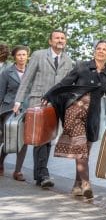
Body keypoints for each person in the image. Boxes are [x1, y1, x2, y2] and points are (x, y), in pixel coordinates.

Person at [43, 40, 106, 198]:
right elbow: (65, 82)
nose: (101, 51)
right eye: (98, 48)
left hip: (93, 115)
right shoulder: (82, 67)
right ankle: (86, 184)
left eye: (105, 49)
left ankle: (76, 185)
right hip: (75, 111)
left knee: (84, 150)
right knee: (80, 147)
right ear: (94, 51)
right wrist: (49, 94)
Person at [13, 30, 73, 189]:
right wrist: (18, 100)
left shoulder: (68, 60)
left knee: (48, 139)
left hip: (56, 105)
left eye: (62, 38)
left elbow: (68, 86)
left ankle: (40, 175)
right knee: (40, 138)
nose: (60, 40)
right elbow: (27, 79)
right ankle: (43, 173)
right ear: (50, 41)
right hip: (38, 102)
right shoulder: (39, 55)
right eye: (57, 38)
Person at [0, 46, 30, 179]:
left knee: (24, 140)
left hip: (26, 109)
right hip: (8, 109)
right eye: (19, 55)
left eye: (24, 54)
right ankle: (0, 163)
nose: (22, 57)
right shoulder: (7, 72)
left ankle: (17, 171)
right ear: (14, 57)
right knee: (9, 139)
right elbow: (1, 92)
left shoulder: (32, 71)